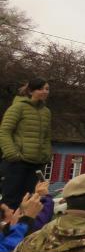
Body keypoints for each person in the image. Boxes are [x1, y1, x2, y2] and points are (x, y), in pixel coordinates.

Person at [0, 78, 52, 209]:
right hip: (17, 163)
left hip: (37, 164)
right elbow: (5, 131)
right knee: (10, 201)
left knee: (29, 202)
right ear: (31, 91)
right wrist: (12, 154)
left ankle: (23, 228)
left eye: (47, 89)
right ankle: (6, 228)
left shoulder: (46, 112)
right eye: (41, 89)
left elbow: (46, 136)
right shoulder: (18, 107)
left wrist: (46, 154)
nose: (45, 92)